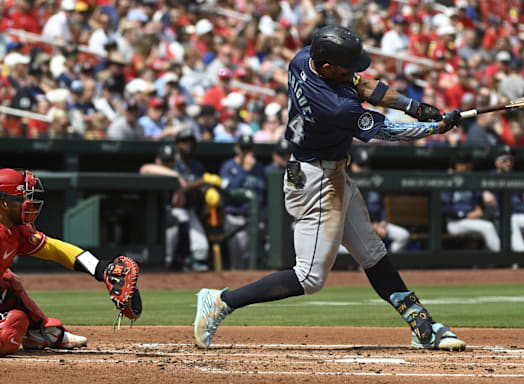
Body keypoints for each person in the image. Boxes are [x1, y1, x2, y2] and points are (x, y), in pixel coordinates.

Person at [194, 25, 465, 352]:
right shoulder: (335, 106)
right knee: (309, 277)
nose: (353, 71)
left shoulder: (302, 59)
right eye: (345, 66)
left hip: (327, 174)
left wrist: (415, 106)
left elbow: (365, 85)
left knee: (372, 253)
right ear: (326, 67)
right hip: (316, 183)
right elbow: (389, 132)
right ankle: (221, 301)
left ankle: (423, 325)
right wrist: (434, 127)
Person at [0, 168, 135, 355]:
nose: (29, 203)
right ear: (4, 203)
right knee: (5, 332)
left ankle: (38, 333)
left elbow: (55, 249)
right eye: (23, 197)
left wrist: (100, 268)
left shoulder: (14, 231)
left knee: (8, 283)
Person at [139, 140, 220, 271]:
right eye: (164, 160)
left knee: (201, 248)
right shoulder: (164, 172)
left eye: (170, 160)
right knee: (173, 222)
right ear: (158, 160)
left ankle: (188, 263)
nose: (168, 163)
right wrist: (175, 176)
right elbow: (144, 168)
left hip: (184, 211)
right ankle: (167, 261)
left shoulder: (181, 170)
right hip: (160, 215)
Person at [340, 149, 410, 254]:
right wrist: (371, 227)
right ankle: (355, 267)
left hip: (377, 225)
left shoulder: (374, 182)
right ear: (352, 166)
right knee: (340, 249)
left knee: (403, 235)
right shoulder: (346, 183)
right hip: (355, 229)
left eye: (365, 166)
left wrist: (382, 223)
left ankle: (386, 261)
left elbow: (381, 206)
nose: (363, 169)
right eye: (360, 166)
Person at [219, 134, 267, 269]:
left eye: (249, 149)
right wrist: (244, 171)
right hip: (236, 218)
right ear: (237, 149)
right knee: (238, 262)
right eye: (243, 148)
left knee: (257, 260)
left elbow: (265, 193)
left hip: (257, 219)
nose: (246, 152)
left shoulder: (259, 168)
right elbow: (227, 191)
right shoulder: (228, 166)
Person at [441, 152, 501, 252]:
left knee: (493, 225)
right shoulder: (448, 180)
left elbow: (479, 197)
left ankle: (490, 262)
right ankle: (503, 259)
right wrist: (465, 214)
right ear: (456, 164)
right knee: (488, 227)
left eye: (469, 164)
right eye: (464, 164)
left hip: (472, 220)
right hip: (455, 222)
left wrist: (483, 195)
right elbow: (444, 208)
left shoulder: (470, 178)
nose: (468, 167)